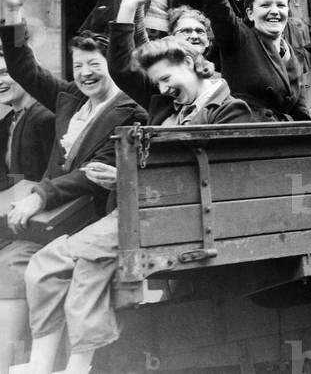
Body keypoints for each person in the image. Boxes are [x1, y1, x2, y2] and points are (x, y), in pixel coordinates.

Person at [20, 38, 250, 374]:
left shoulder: (230, 110)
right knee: (48, 264)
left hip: (174, 217)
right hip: (134, 210)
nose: (163, 88)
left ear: (190, 63)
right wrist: (120, 178)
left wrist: (126, 180)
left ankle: (76, 367)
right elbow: (149, 166)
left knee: (82, 262)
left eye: (168, 78)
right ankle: (49, 364)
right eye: (158, 81)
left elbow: (218, 179)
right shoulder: (167, 109)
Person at [0, 0, 147, 374]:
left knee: (41, 267)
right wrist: (12, 15)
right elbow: (22, 69)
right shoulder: (68, 97)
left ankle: (60, 365)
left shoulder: (130, 111)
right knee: (17, 264)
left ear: (111, 67)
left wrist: (39, 195)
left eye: (94, 65)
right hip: (55, 219)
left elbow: (94, 171)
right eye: (78, 65)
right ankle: (35, 363)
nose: (84, 73)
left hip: (92, 218)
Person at [0, 50, 54, 187]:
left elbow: (53, 176)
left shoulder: (46, 118)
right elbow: (14, 176)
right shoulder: (7, 122)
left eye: (5, 72)